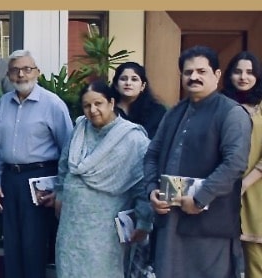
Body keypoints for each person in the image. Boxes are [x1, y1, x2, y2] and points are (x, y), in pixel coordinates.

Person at [144, 46, 250, 278]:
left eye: (201, 71)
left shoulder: (231, 113)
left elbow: (234, 163)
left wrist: (200, 199)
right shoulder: (174, 112)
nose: (194, 77)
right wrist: (152, 190)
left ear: (217, 75)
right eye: (188, 72)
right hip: (169, 221)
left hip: (208, 224)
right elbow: (152, 154)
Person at [53, 81, 151, 277]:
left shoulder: (133, 138)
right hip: (71, 223)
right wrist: (60, 193)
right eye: (87, 106)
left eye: (98, 103)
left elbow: (143, 184)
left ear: (112, 103)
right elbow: (64, 165)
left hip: (105, 229)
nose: (93, 110)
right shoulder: (79, 128)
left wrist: (144, 222)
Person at [0, 50, 73, 278]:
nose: (21, 74)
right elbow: (0, 147)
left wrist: (59, 189)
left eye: (27, 69)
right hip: (10, 180)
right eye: (16, 70)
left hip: (40, 181)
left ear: (37, 72)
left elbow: (68, 150)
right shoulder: (3, 103)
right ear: (8, 75)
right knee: (12, 245)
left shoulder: (52, 104)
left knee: (33, 246)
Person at [224, 51, 262, 277]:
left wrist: (245, 184)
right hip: (222, 191)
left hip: (256, 192)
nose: (243, 77)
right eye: (237, 71)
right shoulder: (219, 104)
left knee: (256, 262)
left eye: (249, 72)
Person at [112, 61, 167, 138]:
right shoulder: (108, 110)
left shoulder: (157, 111)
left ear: (142, 86)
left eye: (134, 79)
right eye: (123, 79)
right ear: (116, 85)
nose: (128, 83)